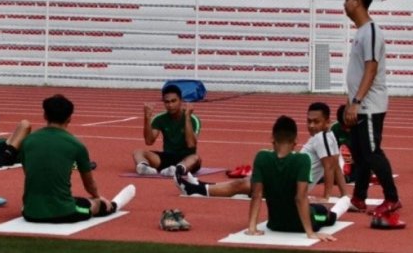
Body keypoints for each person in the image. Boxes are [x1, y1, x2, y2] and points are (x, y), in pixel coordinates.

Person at [175, 102, 349, 202]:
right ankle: (201, 186)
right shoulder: (328, 136)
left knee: (242, 185)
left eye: (316, 122)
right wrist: (344, 195)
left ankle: (194, 190)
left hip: (291, 188)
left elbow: (329, 168)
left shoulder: (322, 138)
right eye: (308, 121)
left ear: (327, 121)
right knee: (246, 182)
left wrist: (326, 197)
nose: (311, 125)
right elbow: (335, 167)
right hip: (290, 182)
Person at [21, 94, 135, 223]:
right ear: (69, 118)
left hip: (29, 212)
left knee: (78, 200)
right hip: (63, 212)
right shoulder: (76, 144)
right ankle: (113, 205)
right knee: (95, 205)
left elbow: (29, 173)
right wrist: (98, 198)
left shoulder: (27, 141)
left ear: (45, 116)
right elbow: (89, 184)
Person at [343, 0, 401, 216]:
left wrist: (357, 102)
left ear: (357, 1)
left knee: (372, 152)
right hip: (359, 103)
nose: (344, 4)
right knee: (359, 152)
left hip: (368, 105)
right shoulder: (361, 32)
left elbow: (371, 69)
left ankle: (392, 198)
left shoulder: (371, 31)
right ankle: (359, 197)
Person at [246, 116, 337, 241]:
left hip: (275, 224)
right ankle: (334, 210)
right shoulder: (302, 160)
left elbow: (256, 194)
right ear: (295, 141)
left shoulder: (261, 157)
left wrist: (252, 228)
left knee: (315, 207)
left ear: (273, 138)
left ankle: (252, 227)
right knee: (326, 214)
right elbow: (300, 197)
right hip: (302, 223)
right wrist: (310, 233)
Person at [133, 84, 201, 177]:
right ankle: (143, 167)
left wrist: (187, 117)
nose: (170, 105)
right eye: (167, 102)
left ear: (181, 101)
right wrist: (147, 118)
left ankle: (178, 169)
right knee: (138, 152)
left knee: (196, 158)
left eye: (173, 101)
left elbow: (191, 144)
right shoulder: (160, 118)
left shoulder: (193, 119)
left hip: (186, 158)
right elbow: (149, 141)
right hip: (167, 158)